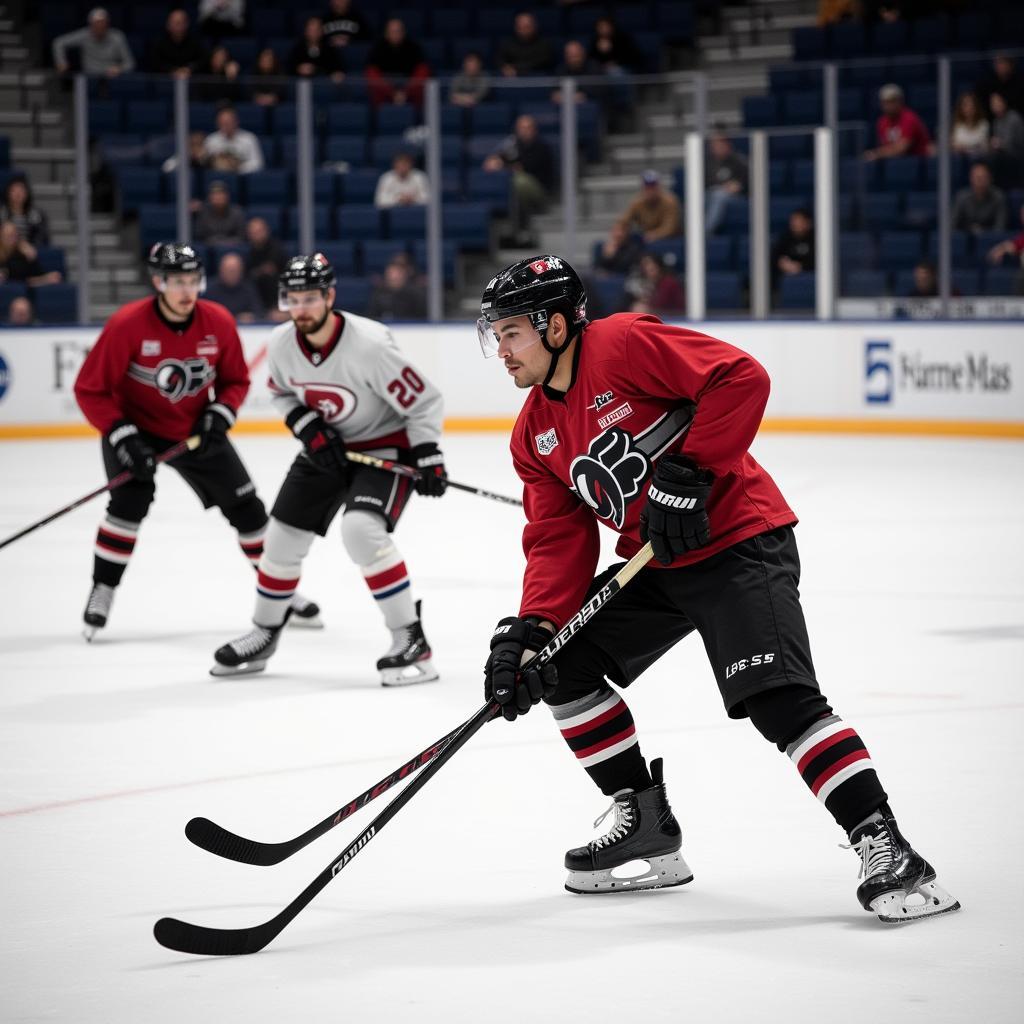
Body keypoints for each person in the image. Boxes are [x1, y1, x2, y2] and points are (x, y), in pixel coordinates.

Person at [474, 254, 961, 923]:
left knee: (778, 701)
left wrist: (694, 470)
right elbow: (557, 540)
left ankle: (886, 844)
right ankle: (644, 824)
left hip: (737, 543)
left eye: (510, 334)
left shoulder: (622, 344)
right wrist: (532, 631)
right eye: (493, 336)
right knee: (561, 665)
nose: (499, 351)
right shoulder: (534, 433)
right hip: (658, 565)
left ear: (556, 326)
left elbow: (740, 377)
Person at [211, 254, 446, 685]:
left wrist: (428, 452)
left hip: (385, 448)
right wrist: (306, 425)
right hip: (327, 450)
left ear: (330, 297)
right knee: (278, 539)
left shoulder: (370, 345)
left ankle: (410, 637)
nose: (300, 309)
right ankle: (265, 631)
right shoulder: (282, 343)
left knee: (361, 531)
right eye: (292, 299)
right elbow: (281, 391)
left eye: (309, 299)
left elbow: (424, 401)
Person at [72, 243, 320, 640]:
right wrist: (122, 436)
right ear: (158, 282)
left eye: (193, 281)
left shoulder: (217, 321)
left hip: (194, 430)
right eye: (177, 283)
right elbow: (90, 389)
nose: (187, 292)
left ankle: (281, 592)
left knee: (249, 510)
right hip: (135, 431)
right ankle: (103, 589)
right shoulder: (127, 324)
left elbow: (235, 380)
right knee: (128, 505)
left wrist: (219, 414)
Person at [483, 114, 556, 245]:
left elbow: (522, 167)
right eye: (521, 128)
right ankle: (511, 224)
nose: (524, 131)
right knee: (504, 180)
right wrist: (494, 161)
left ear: (534, 129)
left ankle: (521, 227)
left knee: (518, 181)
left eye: (528, 127)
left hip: (540, 192)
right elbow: (496, 160)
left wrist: (503, 165)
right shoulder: (513, 144)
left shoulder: (541, 147)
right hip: (519, 192)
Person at [52, 7, 134, 78]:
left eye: (102, 23)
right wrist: (61, 62)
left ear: (107, 24)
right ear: (91, 24)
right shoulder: (84, 35)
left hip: (113, 79)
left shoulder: (117, 37)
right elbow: (59, 42)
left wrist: (119, 69)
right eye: (96, 24)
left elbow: (130, 64)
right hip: (89, 78)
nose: (99, 27)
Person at [365, 17, 429, 108]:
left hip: (409, 88)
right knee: (372, 77)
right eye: (392, 32)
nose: (395, 35)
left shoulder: (413, 48)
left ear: (403, 33)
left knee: (423, 74)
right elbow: (371, 73)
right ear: (386, 34)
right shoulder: (377, 49)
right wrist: (392, 93)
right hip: (385, 89)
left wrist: (405, 93)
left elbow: (423, 71)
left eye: (398, 31)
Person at [864, 84, 933, 161]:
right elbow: (887, 146)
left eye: (892, 101)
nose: (889, 106)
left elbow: (902, 148)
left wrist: (876, 154)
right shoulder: (882, 122)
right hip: (896, 164)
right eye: (886, 102)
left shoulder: (909, 118)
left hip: (919, 163)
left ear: (900, 101)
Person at [616, 170, 682, 242]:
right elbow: (623, 221)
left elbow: (670, 228)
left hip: (670, 240)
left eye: (653, 187)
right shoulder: (637, 203)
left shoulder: (670, 201)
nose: (650, 191)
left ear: (658, 187)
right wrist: (617, 234)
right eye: (647, 187)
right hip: (647, 239)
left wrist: (654, 235)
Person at [705, 134, 748, 235]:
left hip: (736, 195)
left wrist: (738, 185)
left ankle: (706, 231)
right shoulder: (708, 162)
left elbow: (746, 180)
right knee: (696, 198)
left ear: (726, 145)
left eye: (717, 144)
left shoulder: (739, 160)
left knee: (718, 196)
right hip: (711, 192)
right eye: (713, 145)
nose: (714, 147)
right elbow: (705, 182)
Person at [203, 105, 264, 174]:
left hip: (241, 177)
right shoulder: (211, 139)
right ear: (217, 124)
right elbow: (207, 163)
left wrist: (238, 168)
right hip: (218, 177)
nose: (225, 126)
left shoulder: (249, 138)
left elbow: (257, 163)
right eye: (222, 123)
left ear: (236, 122)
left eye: (228, 123)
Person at [147, 9, 207, 78]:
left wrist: (189, 69)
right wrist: (171, 70)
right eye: (175, 23)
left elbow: (203, 60)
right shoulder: (158, 43)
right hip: (165, 82)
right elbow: (155, 63)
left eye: (180, 23)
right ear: (168, 24)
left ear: (187, 24)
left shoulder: (196, 41)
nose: (178, 27)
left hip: (191, 81)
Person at [204, 252, 263, 321]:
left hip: (243, 329)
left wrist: (251, 316)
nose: (232, 274)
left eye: (235, 271)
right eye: (229, 271)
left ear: (241, 271)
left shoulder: (248, 289)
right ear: (221, 270)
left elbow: (259, 312)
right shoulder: (209, 289)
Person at [245, 216, 286, 314]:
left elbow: (271, 270)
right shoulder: (248, 252)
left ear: (266, 231)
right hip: (257, 294)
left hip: (276, 292)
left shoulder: (277, 249)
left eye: (259, 231)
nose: (256, 235)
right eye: (253, 232)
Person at [951, 163, 1007, 233]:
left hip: (990, 238)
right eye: (977, 178)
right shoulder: (962, 197)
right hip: (966, 236)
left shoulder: (998, 196)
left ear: (990, 179)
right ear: (971, 179)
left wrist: (984, 232)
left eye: (984, 177)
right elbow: (952, 225)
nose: (980, 181)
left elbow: (1000, 226)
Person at [497, 11, 555, 77]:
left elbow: (543, 62)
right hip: (513, 80)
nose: (524, 30)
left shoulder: (544, 44)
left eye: (527, 26)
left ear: (534, 26)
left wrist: (517, 68)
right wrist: (505, 67)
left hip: (538, 79)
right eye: (520, 27)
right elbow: (500, 60)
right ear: (516, 27)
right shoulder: (507, 44)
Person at [626, 251, 685, 316]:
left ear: (659, 266)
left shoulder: (669, 283)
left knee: (640, 308)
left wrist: (646, 302)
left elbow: (661, 304)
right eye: (644, 266)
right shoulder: (649, 282)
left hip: (675, 317)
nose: (647, 268)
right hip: (661, 315)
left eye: (651, 267)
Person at [289, 16, 346, 81]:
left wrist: (337, 74)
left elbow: (338, 68)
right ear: (306, 31)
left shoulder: (329, 49)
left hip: (324, 85)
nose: (314, 33)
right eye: (311, 30)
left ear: (321, 31)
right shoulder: (298, 49)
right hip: (302, 85)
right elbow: (289, 68)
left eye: (317, 30)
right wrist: (298, 69)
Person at [987, 92, 1024, 188]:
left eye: (997, 102)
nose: (995, 106)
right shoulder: (996, 121)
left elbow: (1013, 143)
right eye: (993, 103)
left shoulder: (1014, 118)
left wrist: (999, 144)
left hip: (1016, 155)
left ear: (1004, 102)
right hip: (1003, 155)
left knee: (994, 159)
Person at [771, 207, 815, 287]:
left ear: (808, 223)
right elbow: (774, 256)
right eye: (794, 220)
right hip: (785, 276)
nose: (795, 224)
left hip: (809, 277)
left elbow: (818, 261)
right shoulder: (785, 237)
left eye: (799, 221)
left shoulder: (816, 239)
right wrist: (782, 263)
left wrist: (800, 267)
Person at [1, 177, 50, 248]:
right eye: (14, 191)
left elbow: (41, 236)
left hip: (29, 252)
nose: (18, 194)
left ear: (27, 193)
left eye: (21, 190)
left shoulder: (36, 215)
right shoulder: (2, 213)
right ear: (8, 193)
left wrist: (31, 247)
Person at [193, 181, 247, 245]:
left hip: (232, 249)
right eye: (215, 194)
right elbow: (199, 237)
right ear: (209, 197)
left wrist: (222, 243)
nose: (218, 197)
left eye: (221, 194)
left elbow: (242, 237)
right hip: (209, 250)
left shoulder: (237, 212)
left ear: (227, 196)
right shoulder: (203, 213)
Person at [552, 40, 602, 104]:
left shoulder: (594, 67)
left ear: (583, 53)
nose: (574, 59)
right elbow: (555, 94)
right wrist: (571, 97)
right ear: (565, 56)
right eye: (571, 56)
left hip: (591, 106)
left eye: (576, 55)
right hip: (566, 107)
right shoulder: (561, 69)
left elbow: (600, 91)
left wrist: (583, 95)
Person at [976, 54, 1024, 118]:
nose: (1000, 66)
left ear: (1011, 65)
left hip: (1014, 117)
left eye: (1003, 63)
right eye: (998, 63)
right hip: (992, 117)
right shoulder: (988, 81)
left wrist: (1004, 105)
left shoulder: (1019, 81)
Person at [950, 91, 990, 158]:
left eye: (971, 105)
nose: (969, 108)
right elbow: (954, 145)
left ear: (976, 107)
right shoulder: (956, 125)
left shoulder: (983, 124)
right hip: (960, 160)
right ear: (961, 108)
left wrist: (965, 146)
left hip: (979, 158)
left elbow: (983, 144)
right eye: (965, 105)